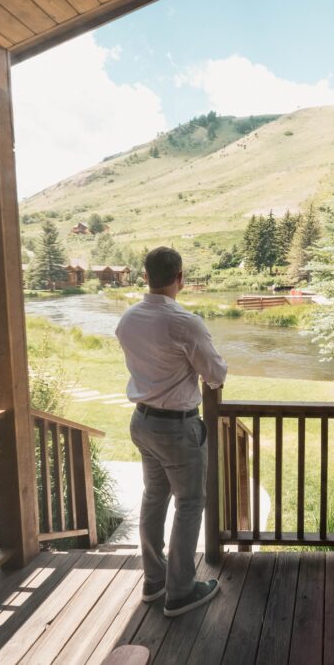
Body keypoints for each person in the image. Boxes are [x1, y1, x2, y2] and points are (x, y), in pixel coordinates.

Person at [116, 247, 227, 616]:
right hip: (177, 428)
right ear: (180, 277)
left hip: (143, 422)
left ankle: (154, 580)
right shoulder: (185, 322)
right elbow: (216, 374)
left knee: (153, 498)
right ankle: (180, 592)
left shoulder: (128, 320)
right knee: (190, 503)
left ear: (145, 276)